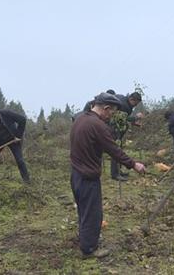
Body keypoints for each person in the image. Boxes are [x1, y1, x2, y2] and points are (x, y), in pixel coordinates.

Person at [70, 92, 146, 258]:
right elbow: (114, 150)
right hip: (87, 176)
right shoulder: (98, 126)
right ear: (105, 108)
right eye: (111, 112)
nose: (111, 116)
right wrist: (134, 164)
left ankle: (85, 238)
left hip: (75, 173)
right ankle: (89, 249)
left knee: (83, 210)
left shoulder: (80, 119)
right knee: (93, 213)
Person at [109, 92, 144, 181]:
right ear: (131, 99)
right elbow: (123, 119)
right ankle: (115, 174)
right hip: (114, 128)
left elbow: (123, 118)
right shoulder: (124, 105)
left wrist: (133, 123)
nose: (135, 106)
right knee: (115, 149)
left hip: (115, 126)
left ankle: (118, 170)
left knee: (118, 149)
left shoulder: (123, 100)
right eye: (135, 103)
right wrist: (136, 117)